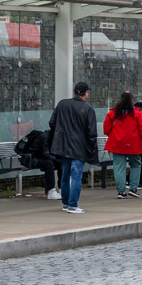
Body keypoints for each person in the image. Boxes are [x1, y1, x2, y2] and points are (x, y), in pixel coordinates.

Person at [49, 81, 98, 214]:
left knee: (65, 175)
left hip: (63, 146)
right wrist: (92, 148)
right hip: (79, 148)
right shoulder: (88, 109)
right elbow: (92, 133)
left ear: (75, 92)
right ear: (86, 93)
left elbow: (52, 123)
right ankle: (73, 204)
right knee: (76, 176)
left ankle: (65, 203)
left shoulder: (62, 104)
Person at [103, 91, 142, 199]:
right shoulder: (138, 114)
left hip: (117, 144)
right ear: (132, 101)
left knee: (118, 167)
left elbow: (106, 129)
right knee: (136, 164)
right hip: (134, 145)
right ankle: (133, 189)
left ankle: (121, 191)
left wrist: (113, 134)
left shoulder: (113, 113)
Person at [15, 128, 61, 200]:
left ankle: (62, 189)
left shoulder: (50, 137)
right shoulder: (44, 137)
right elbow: (45, 154)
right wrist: (58, 160)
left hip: (37, 158)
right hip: (30, 159)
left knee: (59, 164)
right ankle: (50, 191)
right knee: (49, 163)